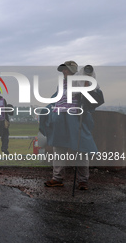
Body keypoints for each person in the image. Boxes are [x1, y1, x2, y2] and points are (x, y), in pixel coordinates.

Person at [41, 61, 98, 190]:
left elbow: (91, 92)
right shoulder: (61, 84)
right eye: (63, 70)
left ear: (73, 70)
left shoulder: (80, 80)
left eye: (66, 69)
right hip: (59, 118)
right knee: (59, 149)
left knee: (81, 149)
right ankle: (57, 178)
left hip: (74, 119)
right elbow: (56, 99)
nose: (64, 72)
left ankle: (83, 181)